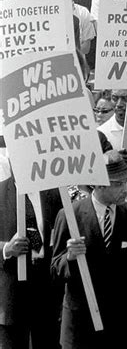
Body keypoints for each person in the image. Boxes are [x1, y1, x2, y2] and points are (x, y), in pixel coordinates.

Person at [51, 151, 127, 349]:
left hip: (119, 325)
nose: (125, 189)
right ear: (99, 184)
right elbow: (54, 269)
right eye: (118, 184)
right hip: (80, 323)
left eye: (125, 182)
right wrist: (70, 257)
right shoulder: (70, 215)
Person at [0, 149, 62, 349]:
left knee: (48, 340)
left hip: (45, 285)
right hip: (12, 288)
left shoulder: (53, 192)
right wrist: (6, 249)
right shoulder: (0, 193)